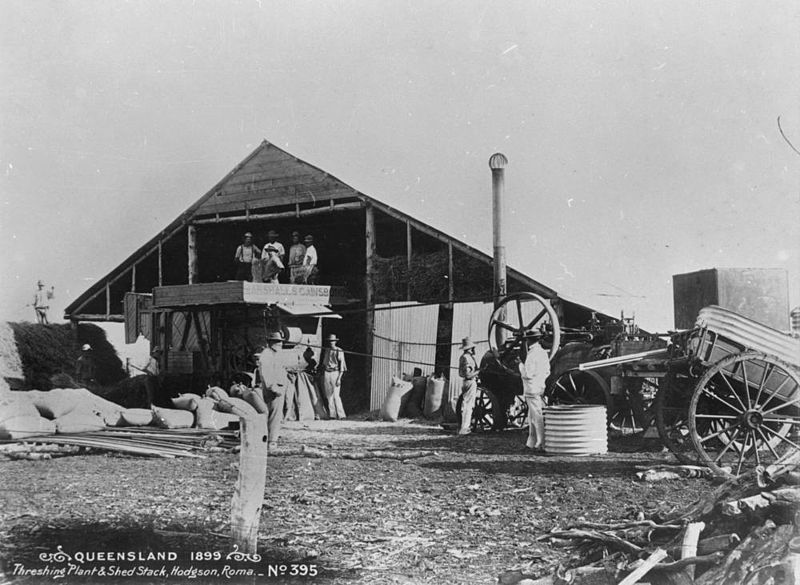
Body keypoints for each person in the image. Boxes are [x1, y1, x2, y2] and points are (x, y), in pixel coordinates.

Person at [257, 331, 289, 450]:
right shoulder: (267, 355)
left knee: (276, 415)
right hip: (273, 389)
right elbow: (266, 374)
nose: (280, 344)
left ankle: (271, 439)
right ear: (271, 343)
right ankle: (271, 441)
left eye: (280, 342)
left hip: (279, 387)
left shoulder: (275, 354)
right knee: (273, 415)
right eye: (277, 342)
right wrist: (274, 388)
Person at [518, 341, 551, 451]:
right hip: (539, 386)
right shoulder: (543, 353)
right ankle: (531, 442)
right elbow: (547, 371)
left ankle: (541, 443)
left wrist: (520, 365)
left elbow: (527, 374)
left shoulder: (531, 354)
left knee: (536, 416)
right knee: (532, 416)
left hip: (531, 389)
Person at [319, 334, 347, 419]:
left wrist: (339, 378)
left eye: (333, 341)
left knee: (336, 395)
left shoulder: (339, 351)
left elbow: (342, 365)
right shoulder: (327, 350)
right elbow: (324, 363)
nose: (331, 343)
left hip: (335, 372)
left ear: (335, 341)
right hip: (327, 372)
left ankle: (341, 415)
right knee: (328, 395)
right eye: (330, 341)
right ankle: (332, 415)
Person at [457, 337, 480, 435]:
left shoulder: (464, 357)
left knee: (467, 405)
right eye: (473, 348)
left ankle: (465, 427)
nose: (474, 349)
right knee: (468, 406)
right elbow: (468, 374)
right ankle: (464, 429)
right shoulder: (467, 358)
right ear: (470, 348)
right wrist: (479, 371)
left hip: (467, 382)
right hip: (470, 382)